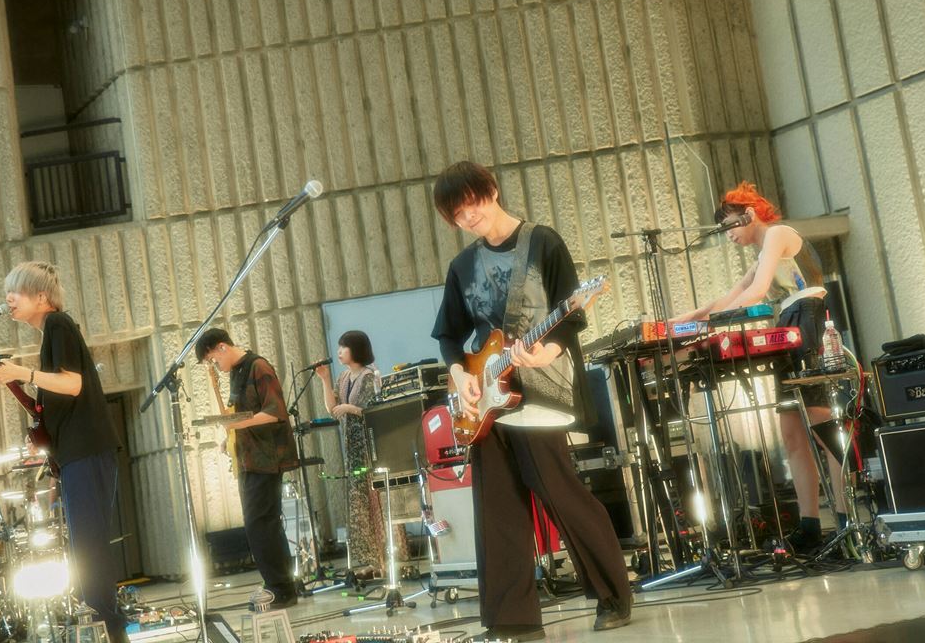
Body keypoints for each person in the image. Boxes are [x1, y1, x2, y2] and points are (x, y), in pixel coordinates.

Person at [430, 161, 631, 640]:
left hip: (542, 389)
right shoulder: (462, 267)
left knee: (560, 492)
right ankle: (513, 620)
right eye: (457, 214)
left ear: (491, 190)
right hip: (486, 400)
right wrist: (461, 376)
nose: (467, 218)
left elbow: (570, 316)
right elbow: (449, 336)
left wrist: (547, 352)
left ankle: (613, 596)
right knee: (497, 507)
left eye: (470, 204)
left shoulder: (543, 243)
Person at [671, 182, 845, 554]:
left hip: (807, 319)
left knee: (823, 428)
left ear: (749, 214)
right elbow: (726, 298)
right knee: (792, 434)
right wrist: (674, 324)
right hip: (790, 323)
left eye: (729, 225)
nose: (728, 235)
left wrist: (710, 324)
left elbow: (756, 290)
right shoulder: (764, 251)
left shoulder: (778, 234)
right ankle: (810, 526)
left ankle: (847, 523)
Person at [0, 261, 127, 643]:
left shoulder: (58, 324)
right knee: (86, 548)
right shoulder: (50, 332)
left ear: (41, 297)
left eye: (16, 292)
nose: (8, 299)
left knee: (90, 548)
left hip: (88, 450)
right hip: (78, 453)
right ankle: (106, 628)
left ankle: (110, 630)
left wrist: (20, 373)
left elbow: (72, 384)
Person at [197, 328, 301, 608]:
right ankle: (279, 585)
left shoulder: (259, 367)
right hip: (249, 458)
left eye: (213, 359)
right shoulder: (236, 372)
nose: (215, 366)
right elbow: (239, 414)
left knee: (261, 524)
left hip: (266, 458)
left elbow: (275, 412)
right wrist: (230, 436)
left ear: (222, 347)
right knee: (262, 524)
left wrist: (237, 425)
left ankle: (281, 588)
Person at [315, 330, 386, 577]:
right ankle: (372, 562)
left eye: (343, 347)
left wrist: (349, 407)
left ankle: (387, 559)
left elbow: (375, 410)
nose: (339, 352)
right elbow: (332, 408)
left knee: (376, 500)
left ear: (356, 349)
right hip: (352, 448)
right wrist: (325, 380)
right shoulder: (344, 377)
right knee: (360, 503)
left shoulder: (370, 376)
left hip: (370, 446)